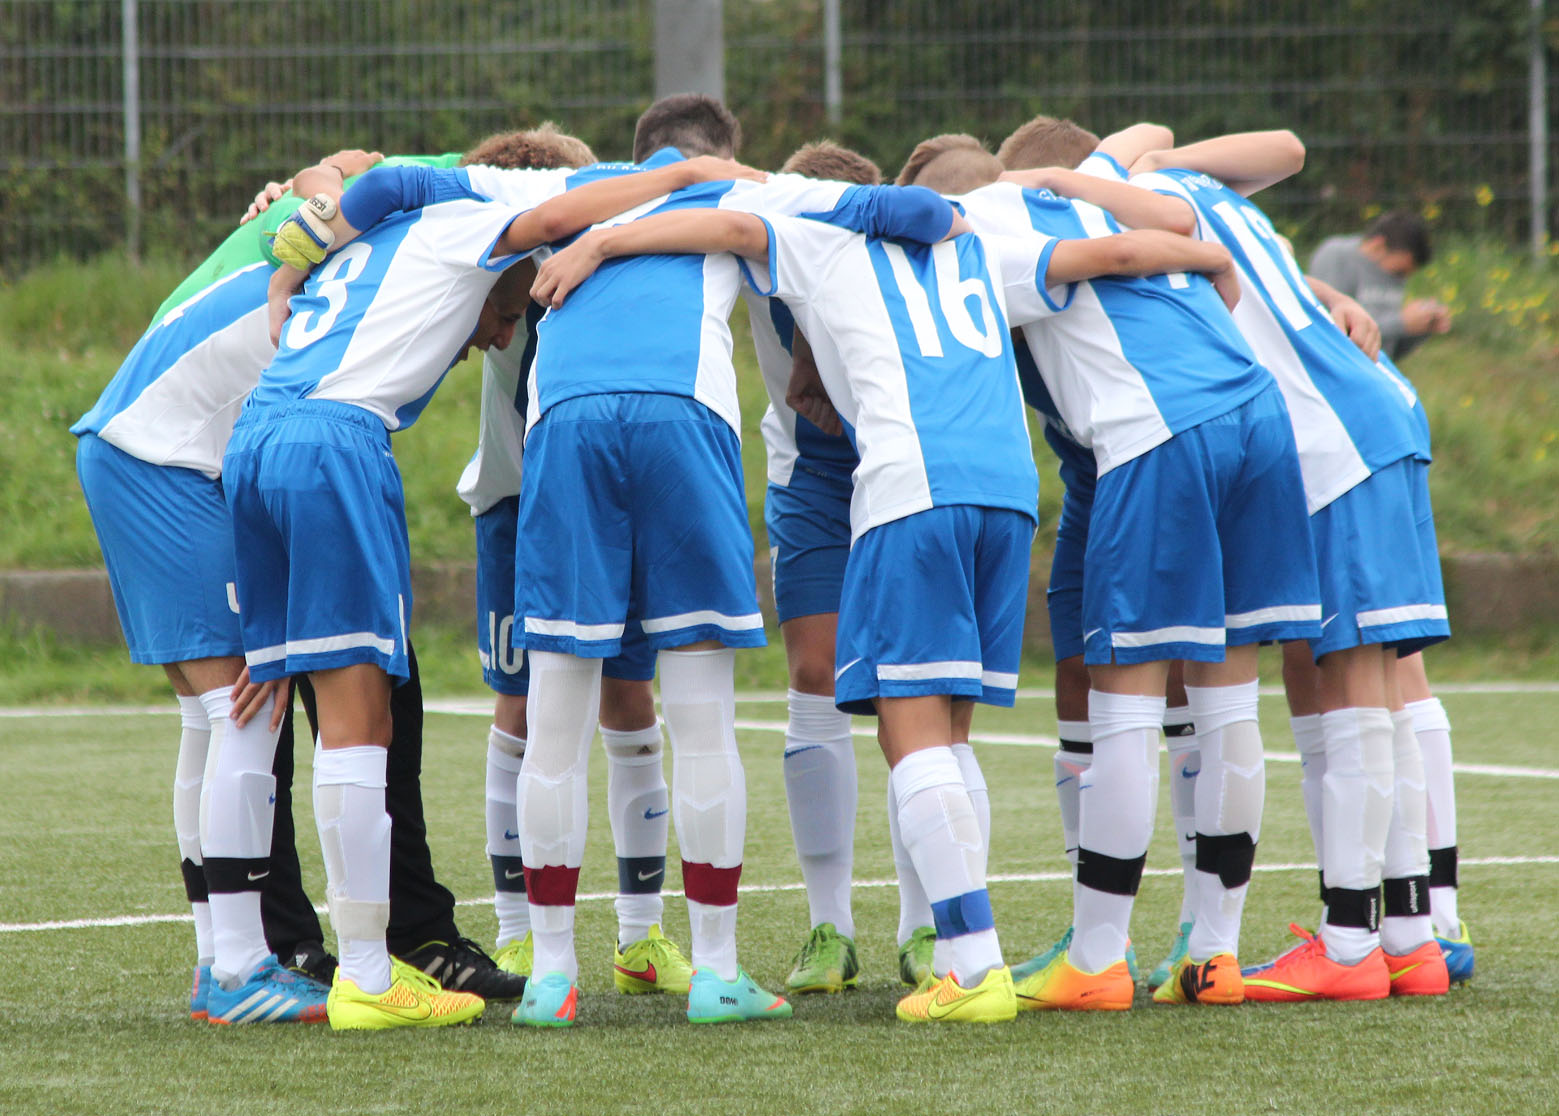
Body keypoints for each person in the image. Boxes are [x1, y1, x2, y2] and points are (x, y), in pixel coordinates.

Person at [226, 149, 751, 1031]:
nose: (507, 334)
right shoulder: (482, 206)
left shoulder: (382, 219)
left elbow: (358, 178)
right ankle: (363, 973)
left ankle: (241, 953)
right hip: (333, 443)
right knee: (361, 725)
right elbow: (552, 218)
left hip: (258, 435)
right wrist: (676, 175)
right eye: (511, 308)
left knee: (280, 705)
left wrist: (286, 263)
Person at [902, 136, 1321, 1012]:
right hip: (1256, 414)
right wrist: (1074, 171)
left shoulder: (973, 230)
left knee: (1122, 707)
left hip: (1158, 431)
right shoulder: (1091, 184)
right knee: (1227, 698)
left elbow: (1115, 255)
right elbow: (1146, 148)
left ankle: (1095, 958)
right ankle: (1214, 954)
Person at [1126, 130, 1452, 1000]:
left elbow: (1168, 154)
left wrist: (1072, 175)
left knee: (1353, 687)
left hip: (1334, 442)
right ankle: (1411, 938)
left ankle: (1348, 946)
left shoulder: (1160, 199)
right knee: (1364, 684)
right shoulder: (1240, 212)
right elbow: (1286, 147)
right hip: (1374, 415)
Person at [71, 148, 387, 1026]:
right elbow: (333, 173)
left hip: (135, 448)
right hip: (158, 459)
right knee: (253, 705)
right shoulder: (331, 227)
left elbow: (323, 178)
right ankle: (242, 969)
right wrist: (329, 188)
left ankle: (220, 957)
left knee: (210, 716)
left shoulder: (303, 237)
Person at [453, 129, 692, 996]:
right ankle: (517, 934)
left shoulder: (607, 255)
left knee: (631, 699)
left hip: (608, 491)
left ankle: (641, 935)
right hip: (519, 506)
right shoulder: (485, 250)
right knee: (522, 704)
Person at [993, 117, 1200, 992]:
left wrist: (1078, 180)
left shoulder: (1087, 224)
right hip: (1091, 474)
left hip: (1146, 450)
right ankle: (1095, 929)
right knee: (1081, 669)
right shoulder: (1054, 220)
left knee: (1177, 678)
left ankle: (1186, 931)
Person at [740, 140, 882, 996]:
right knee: (814, 674)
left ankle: (923, 926)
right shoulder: (756, 231)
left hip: (902, 464)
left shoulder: (895, 244)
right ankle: (829, 926)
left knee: (912, 688)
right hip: (809, 474)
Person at [1309, 212, 1450, 361]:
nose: (1400, 279)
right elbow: (1330, 330)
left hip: (1379, 370)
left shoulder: (1395, 271)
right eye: (1399, 272)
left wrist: (1422, 328)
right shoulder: (1336, 256)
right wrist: (1401, 322)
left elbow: (1391, 351)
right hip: (1344, 367)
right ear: (1378, 246)